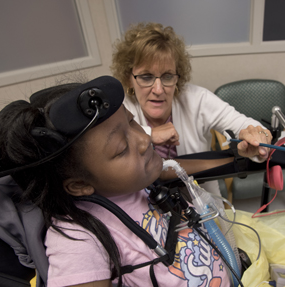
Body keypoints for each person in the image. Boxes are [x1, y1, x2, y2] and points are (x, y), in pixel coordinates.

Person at [0, 76, 267, 287]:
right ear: (79, 185)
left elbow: (175, 168)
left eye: (133, 123)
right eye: (121, 149)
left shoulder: (133, 180)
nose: (145, 139)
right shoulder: (79, 239)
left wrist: (238, 159)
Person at [111, 22, 273, 199]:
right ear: (129, 79)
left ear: (177, 77)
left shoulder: (197, 99)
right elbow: (106, 153)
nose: (158, 89)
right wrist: (149, 134)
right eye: (146, 77)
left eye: (167, 76)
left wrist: (257, 140)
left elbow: (246, 125)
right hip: (146, 210)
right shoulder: (120, 108)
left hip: (203, 203)